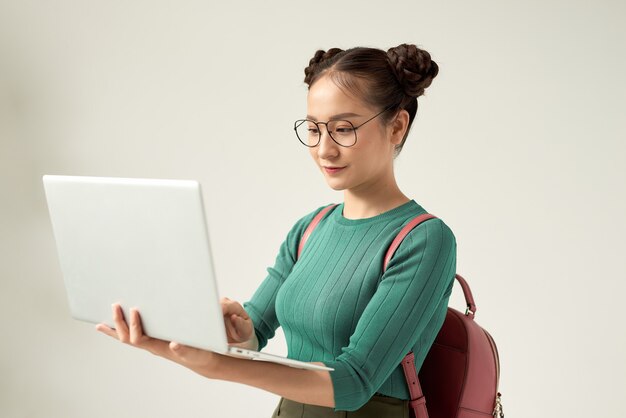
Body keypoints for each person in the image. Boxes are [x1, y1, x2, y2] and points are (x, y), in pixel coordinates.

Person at [96, 43, 457, 418]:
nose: (323, 149)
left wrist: (218, 367)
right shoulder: (310, 229)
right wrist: (231, 332)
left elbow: (355, 382)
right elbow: (257, 327)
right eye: (314, 129)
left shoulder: (423, 240)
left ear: (397, 125)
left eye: (343, 129)